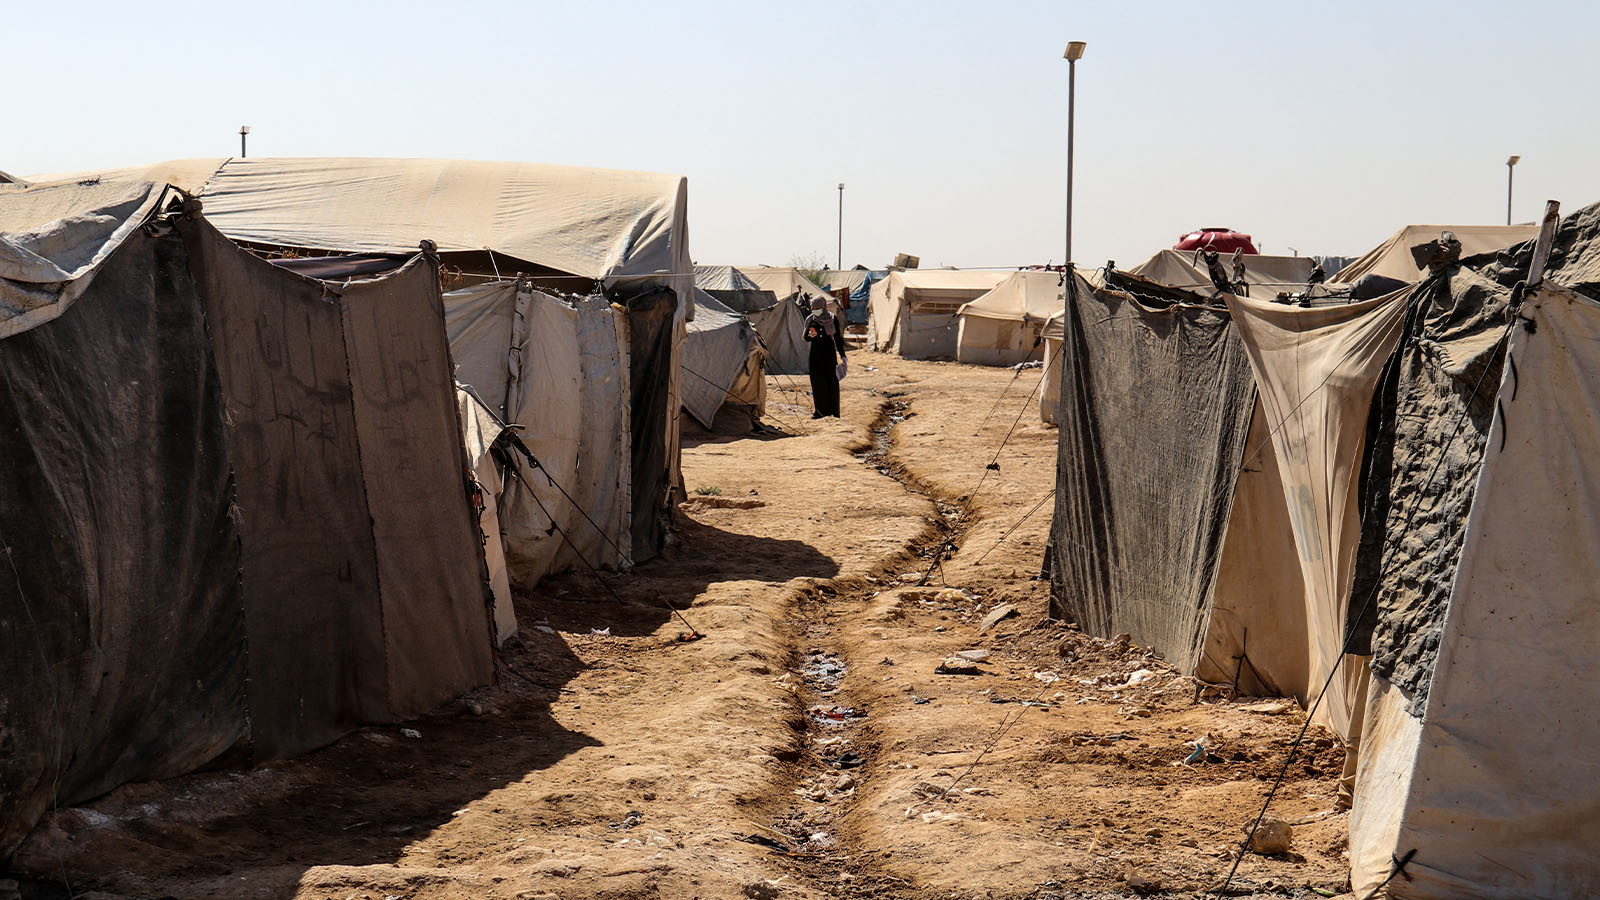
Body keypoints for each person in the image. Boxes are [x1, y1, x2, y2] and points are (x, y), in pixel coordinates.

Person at [803, 296, 847, 419]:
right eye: (813, 308)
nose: (815, 310)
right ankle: (820, 411)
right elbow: (805, 337)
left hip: (829, 354)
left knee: (831, 382)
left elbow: (838, 339)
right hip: (816, 355)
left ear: (823, 307)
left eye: (817, 308)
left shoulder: (832, 319)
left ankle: (834, 411)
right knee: (817, 383)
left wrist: (843, 355)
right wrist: (812, 335)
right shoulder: (810, 320)